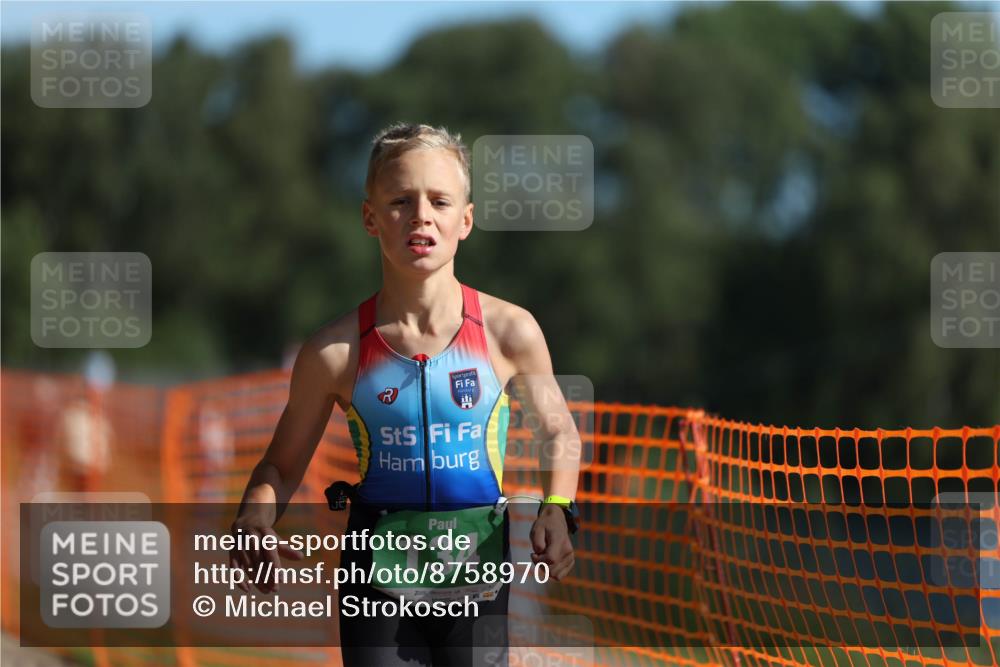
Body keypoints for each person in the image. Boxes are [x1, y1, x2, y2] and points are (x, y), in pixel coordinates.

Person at [231, 123, 581, 666]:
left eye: (439, 200)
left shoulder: (509, 332)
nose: (421, 215)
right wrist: (254, 518)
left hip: (479, 579)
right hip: (376, 586)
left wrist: (557, 508)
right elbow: (278, 466)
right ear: (370, 217)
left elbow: (559, 429)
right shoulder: (336, 352)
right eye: (400, 200)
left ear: (465, 220)